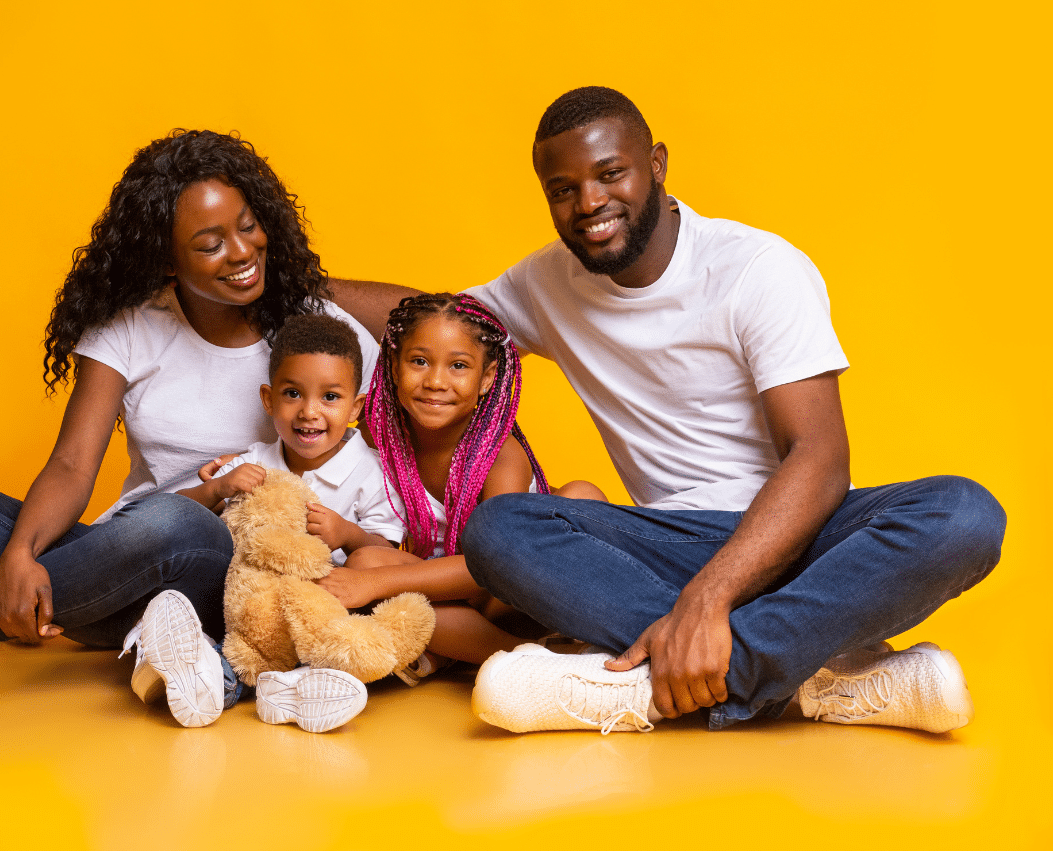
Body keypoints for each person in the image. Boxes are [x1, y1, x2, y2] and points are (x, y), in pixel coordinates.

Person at [331, 87, 1006, 735]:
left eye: (609, 174)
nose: (589, 203)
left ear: (656, 163)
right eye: (562, 191)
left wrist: (708, 601)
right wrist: (295, 281)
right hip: (661, 550)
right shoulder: (550, 283)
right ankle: (806, 674)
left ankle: (640, 683)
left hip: (798, 538)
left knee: (964, 514)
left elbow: (821, 461)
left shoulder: (756, 269)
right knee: (500, 529)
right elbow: (434, 321)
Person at [0, 129, 379, 731]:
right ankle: (133, 635)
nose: (242, 252)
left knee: (175, 519)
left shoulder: (313, 331)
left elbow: (422, 359)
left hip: (231, 581)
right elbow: (71, 466)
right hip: (129, 558)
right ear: (167, 259)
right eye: (210, 244)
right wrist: (20, 556)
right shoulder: (130, 329)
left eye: (248, 226)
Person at [316, 292, 603, 682]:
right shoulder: (377, 430)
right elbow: (309, 452)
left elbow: (502, 565)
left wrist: (373, 584)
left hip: (518, 595)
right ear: (394, 367)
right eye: (419, 361)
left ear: (486, 379)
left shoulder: (500, 455)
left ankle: (504, 653)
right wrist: (240, 467)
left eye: (458, 366)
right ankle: (501, 656)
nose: (435, 382)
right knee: (365, 561)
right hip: (445, 592)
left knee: (582, 496)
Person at [192, 312, 403, 731]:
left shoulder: (371, 471)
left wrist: (348, 533)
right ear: (268, 400)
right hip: (251, 612)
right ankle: (204, 675)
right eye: (293, 394)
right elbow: (180, 517)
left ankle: (294, 683)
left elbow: (388, 553)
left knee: (355, 630)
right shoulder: (253, 462)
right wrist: (216, 490)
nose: (309, 412)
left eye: (330, 397)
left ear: (356, 406)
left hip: (326, 608)